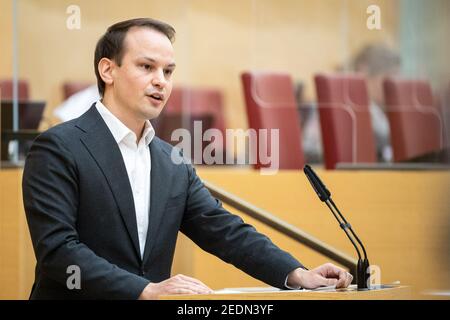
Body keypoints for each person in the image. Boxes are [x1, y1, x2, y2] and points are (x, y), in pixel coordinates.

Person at [22, 18, 352, 300]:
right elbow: (58, 251)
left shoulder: (171, 160)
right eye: (146, 67)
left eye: (168, 71)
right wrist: (145, 290)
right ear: (108, 70)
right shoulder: (58, 148)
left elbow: (225, 231)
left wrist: (297, 275)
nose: (160, 81)